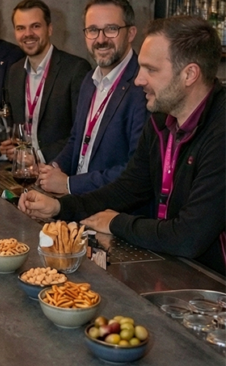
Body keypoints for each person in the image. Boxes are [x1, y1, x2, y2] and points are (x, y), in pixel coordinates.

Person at [19, 16, 226, 275]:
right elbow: (126, 189)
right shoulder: (162, 121)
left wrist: (117, 223)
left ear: (190, 74)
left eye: (151, 70)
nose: (138, 80)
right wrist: (61, 207)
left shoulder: (220, 131)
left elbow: (188, 235)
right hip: (175, 267)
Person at [38, 0, 147, 195]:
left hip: (111, 212)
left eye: (111, 29)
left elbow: (136, 170)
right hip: (78, 201)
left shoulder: (143, 86)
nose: (101, 39)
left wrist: (70, 185)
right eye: (93, 30)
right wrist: (54, 169)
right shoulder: (89, 79)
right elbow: (77, 141)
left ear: (131, 33)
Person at [0, 0, 90, 163]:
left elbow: (82, 132)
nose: (28, 34)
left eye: (35, 26)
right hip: (23, 170)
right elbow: (15, 125)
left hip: (58, 171)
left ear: (49, 29)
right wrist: (11, 146)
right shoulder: (15, 72)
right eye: (21, 28)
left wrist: (37, 157)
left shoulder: (76, 69)